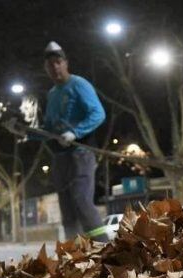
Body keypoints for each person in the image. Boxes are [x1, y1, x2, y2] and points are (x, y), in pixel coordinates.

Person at [42, 41, 108, 242]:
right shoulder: (52, 95)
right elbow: (49, 128)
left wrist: (75, 132)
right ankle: (75, 252)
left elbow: (98, 113)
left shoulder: (78, 85)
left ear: (65, 63)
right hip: (61, 158)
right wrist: (26, 133)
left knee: (80, 199)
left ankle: (104, 245)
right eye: (50, 64)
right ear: (46, 68)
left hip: (81, 153)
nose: (55, 67)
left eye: (58, 62)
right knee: (67, 206)